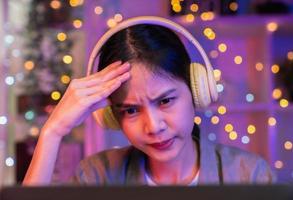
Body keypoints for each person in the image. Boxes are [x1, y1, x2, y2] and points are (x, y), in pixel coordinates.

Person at [23, 17, 275, 186]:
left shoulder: (249, 175)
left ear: (196, 90)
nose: (153, 126)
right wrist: (52, 132)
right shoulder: (97, 176)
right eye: (131, 110)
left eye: (165, 100)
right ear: (112, 116)